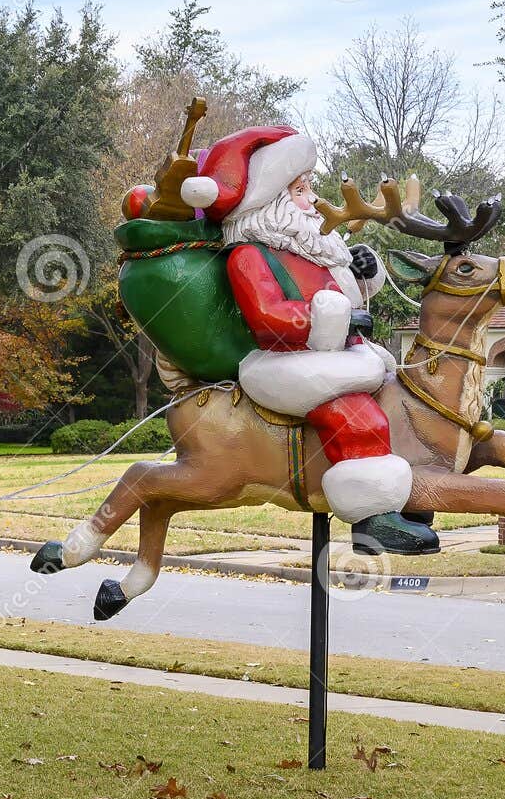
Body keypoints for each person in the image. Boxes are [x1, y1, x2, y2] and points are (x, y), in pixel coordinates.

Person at [179, 125, 434, 556]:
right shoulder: (251, 256)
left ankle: (407, 493)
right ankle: (372, 520)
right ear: (272, 201)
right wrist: (328, 318)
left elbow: (345, 298)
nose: (313, 200)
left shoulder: (315, 249)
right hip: (288, 361)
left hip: (339, 353)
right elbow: (268, 318)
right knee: (354, 414)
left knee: (399, 399)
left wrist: (362, 277)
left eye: (310, 187)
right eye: (301, 190)